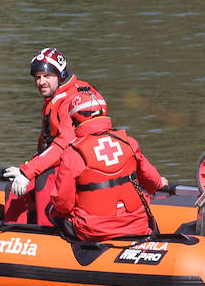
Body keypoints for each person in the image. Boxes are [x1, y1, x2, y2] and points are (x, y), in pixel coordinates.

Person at [46, 86, 176, 240]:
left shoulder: (72, 153)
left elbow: (63, 203)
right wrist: (159, 181)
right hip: (137, 226)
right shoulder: (129, 143)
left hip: (95, 231)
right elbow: (152, 181)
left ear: (75, 119)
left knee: (52, 209)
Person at [3, 47, 106, 225]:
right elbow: (48, 143)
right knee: (13, 189)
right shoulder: (57, 95)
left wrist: (28, 171)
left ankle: (45, 235)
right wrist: (25, 168)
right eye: (37, 77)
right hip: (68, 159)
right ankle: (14, 235)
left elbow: (62, 144)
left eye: (47, 76)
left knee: (44, 179)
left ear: (60, 75)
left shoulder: (69, 101)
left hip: (80, 164)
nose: (41, 82)